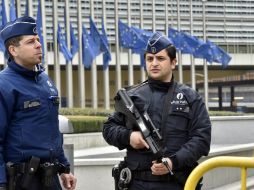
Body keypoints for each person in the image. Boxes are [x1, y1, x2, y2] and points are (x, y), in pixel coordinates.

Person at [103, 32, 211, 190]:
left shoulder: (190, 97)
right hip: (136, 183)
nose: (154, 63)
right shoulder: (131, 97)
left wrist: (174, 161)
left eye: (160, 58)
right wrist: (129, 136)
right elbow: (108, 128)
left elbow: (202, 138)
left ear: (173, 63)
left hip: (177, 182)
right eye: (149, 59)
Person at [0, 16, 76, 190]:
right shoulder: (4, 85)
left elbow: (52, 131)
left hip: (50, 180)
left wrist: (64, 168)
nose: (39, 45)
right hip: (21, 182)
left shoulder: (45, 81)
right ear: (13, 50)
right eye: (31, 42)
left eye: (38, 40)